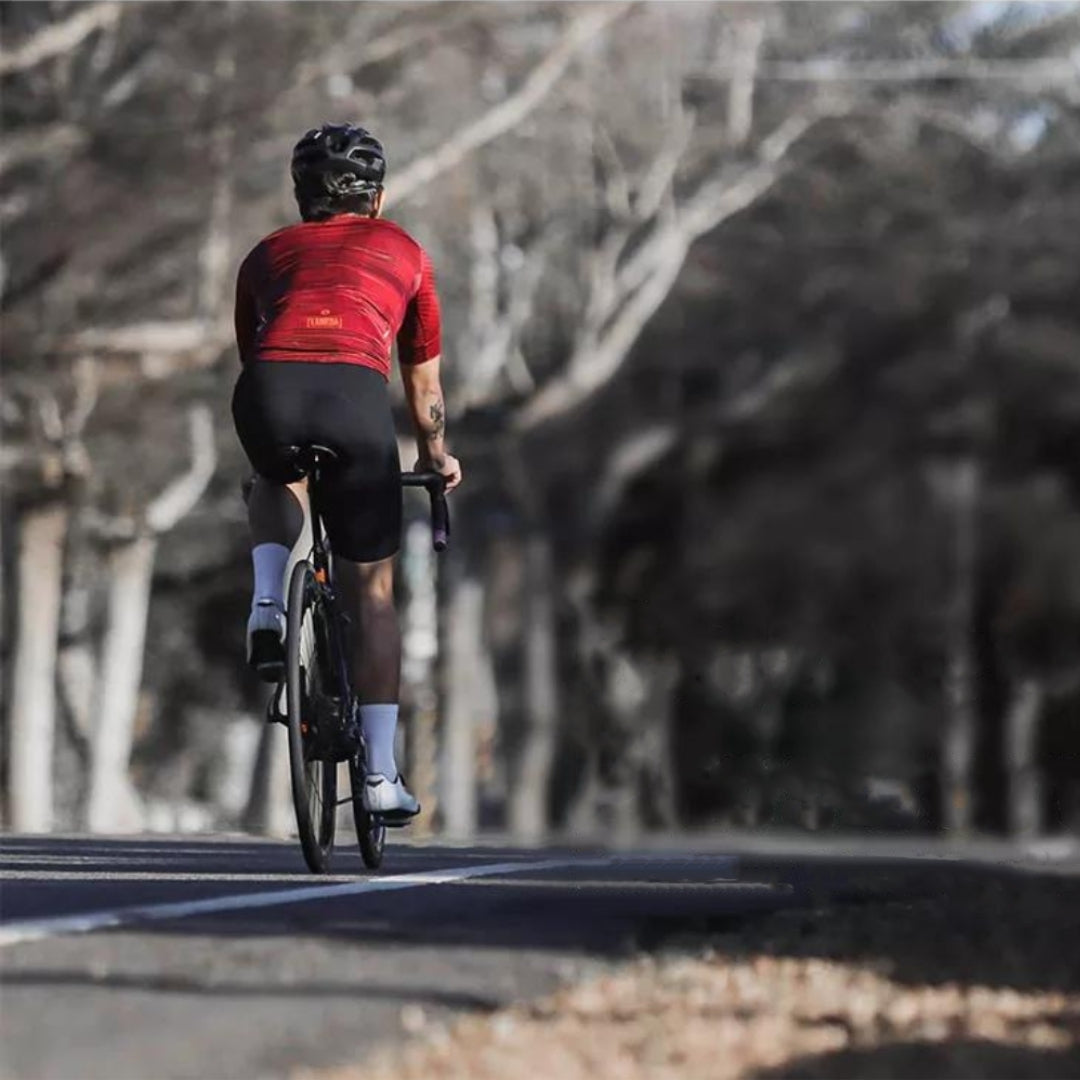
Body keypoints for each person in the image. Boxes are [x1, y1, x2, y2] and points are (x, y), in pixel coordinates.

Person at [231, 123, 462, 820]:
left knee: (276, 474)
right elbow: (424, 389)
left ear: (301, 197)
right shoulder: (406, 254)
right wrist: (433, 455)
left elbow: (258, 354)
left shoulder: (265, 254)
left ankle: (268, 600)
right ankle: (382, 777)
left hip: (269, 390)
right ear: (379, 197)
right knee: (374, 597)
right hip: (355, 400)